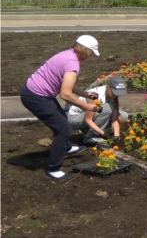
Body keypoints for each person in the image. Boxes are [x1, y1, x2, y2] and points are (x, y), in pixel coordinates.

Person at [20, 35, 102, 180]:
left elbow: (65, 82)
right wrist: (87, 106)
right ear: (85, 50)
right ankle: (53, 169)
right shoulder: (72, 64)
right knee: (63, 129)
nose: (90, 56)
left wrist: (85, 93)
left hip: (36, 92)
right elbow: (65, 94)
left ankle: (67, 147)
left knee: (61, 119)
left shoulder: (66, 54)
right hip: (36, 96)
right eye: (91, 52)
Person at [68, 76, 128, 146]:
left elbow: (115, 118)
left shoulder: (113, 96)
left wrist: (117, 136)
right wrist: (102, 134)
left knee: (124, 116)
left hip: (88, 116)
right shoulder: (95, 95)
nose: (116, 95)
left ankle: (87, 131)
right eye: (115, 92)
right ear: (108, 87)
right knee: (107, 108)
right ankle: (90, 137)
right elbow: (88, 120)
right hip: (75, 119)